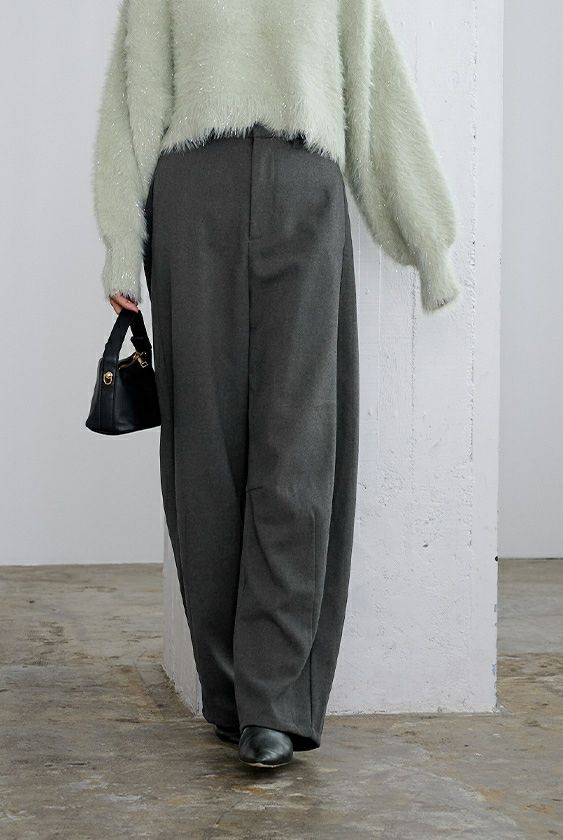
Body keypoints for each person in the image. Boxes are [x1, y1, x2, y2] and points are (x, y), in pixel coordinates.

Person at [92, 0, 460, 769]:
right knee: (205, 456)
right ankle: (230, 693)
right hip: (194, 194)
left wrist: (428, 239)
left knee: (300, 444)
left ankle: (276, 701)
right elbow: (134, 96)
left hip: (303, 186)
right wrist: (122, 243)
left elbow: (375, 91)